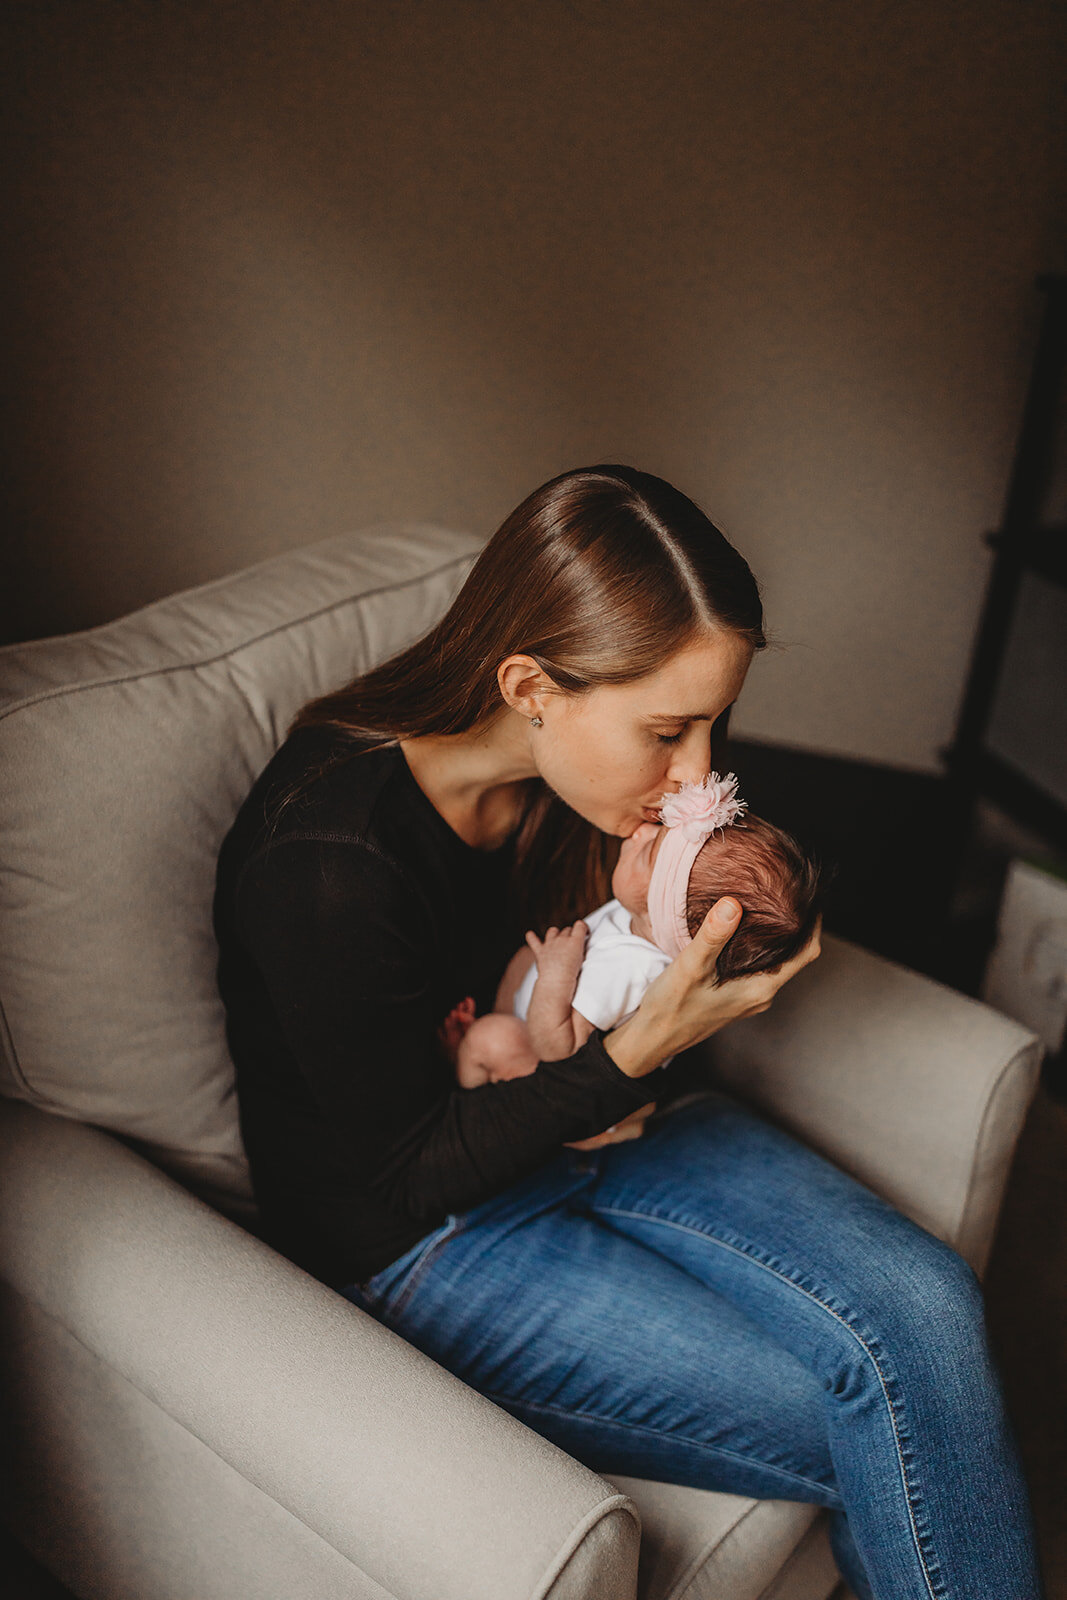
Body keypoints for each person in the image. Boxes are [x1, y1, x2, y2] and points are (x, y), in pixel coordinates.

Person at [212, 464, 1045, 1600]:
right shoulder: (327, 863)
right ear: (530, 685)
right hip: (428, 1233)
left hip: (600, 1119)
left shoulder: (583, 798)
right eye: (667, 728)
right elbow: (405, 1173)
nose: (697, 771)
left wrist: (729, 920)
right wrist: (634, 1051)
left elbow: (623, 971)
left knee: (931, 1315)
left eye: (711, 723)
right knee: (898, 1412)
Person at [447, 773, 826, 1091]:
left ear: (663, 909)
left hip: (547, 1069)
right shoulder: (639, 920)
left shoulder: (629, 967)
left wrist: (556, 975)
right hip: (527, 1021)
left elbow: (558, 1052)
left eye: (649, 853)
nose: (642, 832)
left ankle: (474, 1068)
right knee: (517, 980)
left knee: (491, 1039)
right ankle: (487, 1036)